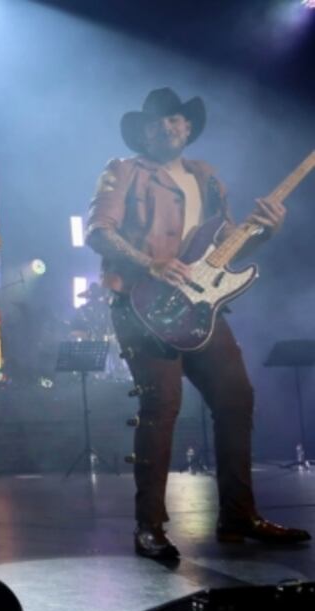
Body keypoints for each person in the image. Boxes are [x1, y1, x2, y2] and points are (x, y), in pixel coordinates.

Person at [86, 87, 310, 560]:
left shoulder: (206, 178)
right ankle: (148, 527)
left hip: (200, 307)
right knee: (161, 406)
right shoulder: (123, 170)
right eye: (155, 122)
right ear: (143, 131)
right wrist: (150, 264)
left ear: (187, 128)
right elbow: (97, 232)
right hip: (140, 304)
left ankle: (238, 515)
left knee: (237, 397)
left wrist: (265, 230)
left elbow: (225, 251)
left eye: (174, 120)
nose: (165, 127)